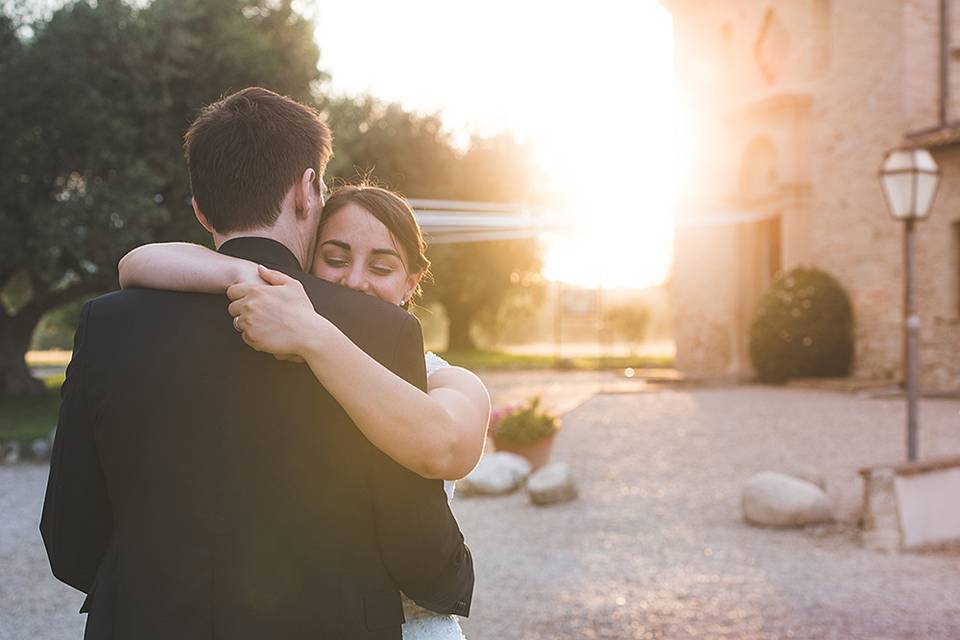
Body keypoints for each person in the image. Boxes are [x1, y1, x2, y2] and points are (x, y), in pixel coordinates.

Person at [40, 87, 474, 640]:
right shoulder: (377, 328)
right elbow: (411, 535)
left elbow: (69, 533)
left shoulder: (105, 322)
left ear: (199, 209)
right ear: (308, 191)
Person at [117, 185, 492, 640]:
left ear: (412, 281)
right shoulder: (273, 359)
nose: (355, 281)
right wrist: (247, 274)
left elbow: (445, 450)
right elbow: (136, 262)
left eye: (381, 267)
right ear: (305, 263)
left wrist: (313, 334)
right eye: (334, 259)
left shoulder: (446, 380)